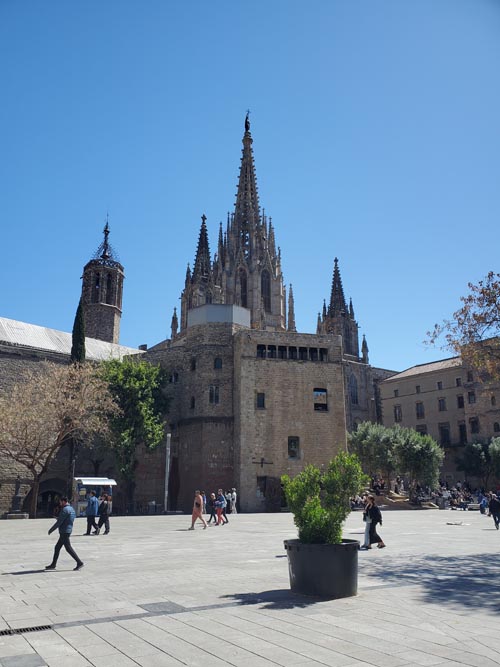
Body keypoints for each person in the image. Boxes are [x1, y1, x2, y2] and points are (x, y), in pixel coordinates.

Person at [45, 496, 84, 571]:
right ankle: (53, 564)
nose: (59, 503)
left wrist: (51, 530)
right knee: (57, 547)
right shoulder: (71, 509)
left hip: (64, 531)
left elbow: (59, 522)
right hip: (68, 530)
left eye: (60, 502)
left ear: (63, 502)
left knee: (68, 548)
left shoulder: (65, 509)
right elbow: (69, 519)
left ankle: (79, 562)